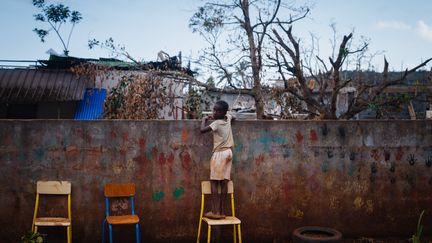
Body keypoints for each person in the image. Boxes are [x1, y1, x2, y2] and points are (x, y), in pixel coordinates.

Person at [200, 100, 235, 220]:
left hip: (219, 153)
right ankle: (222, 211)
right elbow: (233, 116)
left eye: (217, 111)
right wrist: (224, 115)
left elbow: (202, 130)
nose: (214, 112)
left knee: (214, 182)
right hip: (229, 153)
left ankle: (215, 212)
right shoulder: (227, 119)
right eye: (214, 110)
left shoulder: (217, 123)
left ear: (223, 112)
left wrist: (204, 120)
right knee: (224, 182)